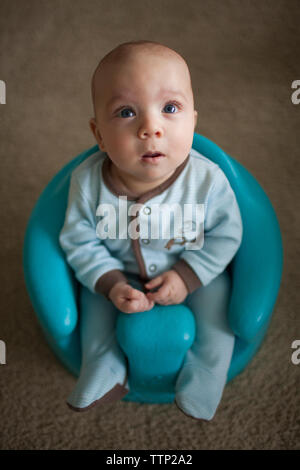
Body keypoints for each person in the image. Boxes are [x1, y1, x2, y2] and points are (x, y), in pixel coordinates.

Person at [59, 40, 243, 420]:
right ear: (99, 134)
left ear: (193, 119)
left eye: (170, 108)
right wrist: (111, 284)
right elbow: (78, 240)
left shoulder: (207, 181)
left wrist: (187, 276)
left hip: (193, 267)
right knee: (92, 303)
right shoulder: (88, 183)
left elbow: (227, 234)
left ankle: (206, 372)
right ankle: (104, 365)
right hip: (117, 270)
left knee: (218, 304)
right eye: (126, 112)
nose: (150, 128)